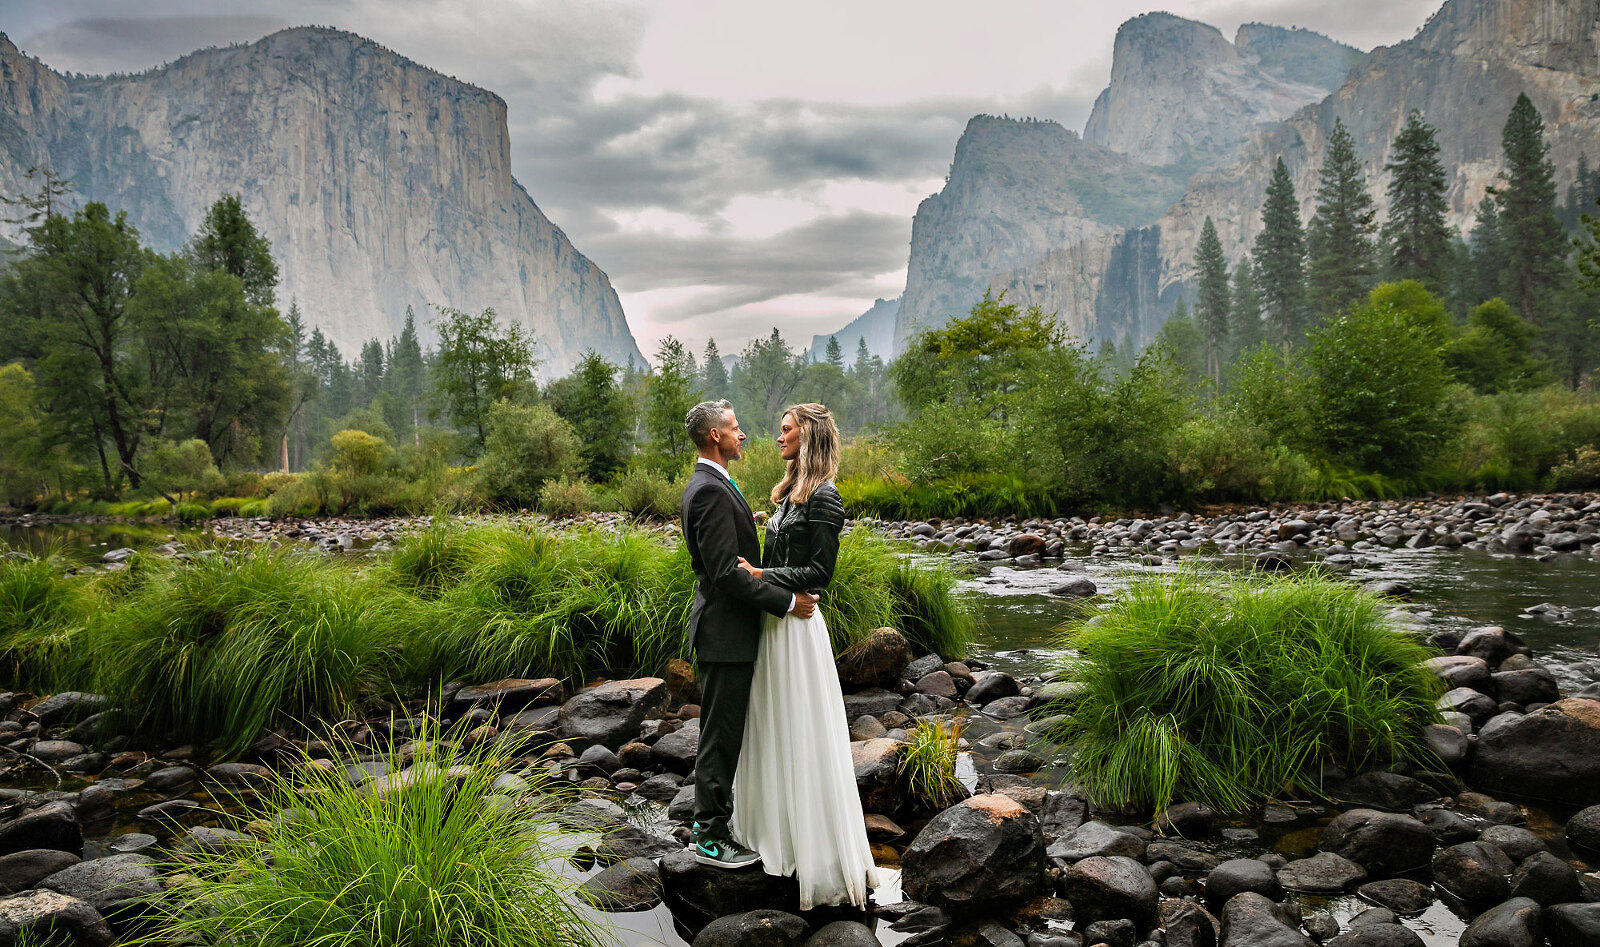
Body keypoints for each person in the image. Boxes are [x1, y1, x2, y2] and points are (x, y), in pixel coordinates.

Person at [728, 402, 879, 909]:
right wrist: (765, 583)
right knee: (770, 726)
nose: (778, 437)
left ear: (809, 436)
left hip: (801, 629)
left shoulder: (826, 498)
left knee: (803, 730)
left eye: (787, 430)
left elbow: (820, 573)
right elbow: (776, 564)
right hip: (777, 624)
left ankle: (817, 854)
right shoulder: (786, 495)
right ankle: (772, 839)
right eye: (779, 430)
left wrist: (762, 577)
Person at [679, 399, 818, 869]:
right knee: (720, 736)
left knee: (726, 731)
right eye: (735, 429)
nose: (743, 435)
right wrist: (785, 601)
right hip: (724, 633)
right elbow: (723, 573)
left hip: (729, 631)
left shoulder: (713, 483)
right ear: (715, 436)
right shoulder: (709, 490)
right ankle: (709, 839)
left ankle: (718, 826)